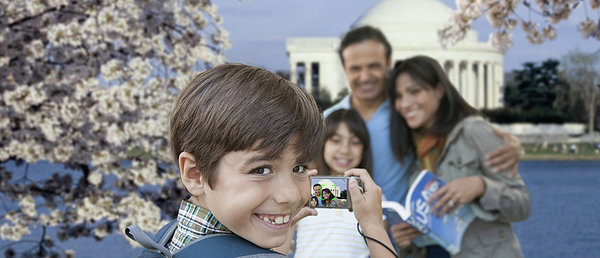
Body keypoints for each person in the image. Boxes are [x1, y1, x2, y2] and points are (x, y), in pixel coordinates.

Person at [125, 63, 396, 258]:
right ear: (196, 174)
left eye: (299, 169)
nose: (290, 195)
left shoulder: (166, 239)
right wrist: (372, 224)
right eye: (261, 169)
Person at [325, 25, 523, 250]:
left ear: (389, 63)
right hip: (348, 240)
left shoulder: (405, 113)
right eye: (355, 68)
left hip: (404, 242)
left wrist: (512, 144)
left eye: (374, 66)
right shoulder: (329, 121)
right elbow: (310, 181)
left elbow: (454, 128)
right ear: (344, 68)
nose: (365, 76)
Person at [388, 56, 531, 256]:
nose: (405, 103)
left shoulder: (474, 132)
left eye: (414, 92)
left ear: (439, 90)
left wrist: (481, 187)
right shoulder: (412, 150)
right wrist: (404, 241)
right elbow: (329, 197)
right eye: (398, 96)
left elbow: (522, 205)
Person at [292, 109, 373, 257]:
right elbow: (281, 248)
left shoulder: (371, 195)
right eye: (336, 140)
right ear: (321, 143)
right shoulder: (302, 189)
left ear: (364, 149)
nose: (345, 150)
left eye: (355, 142)